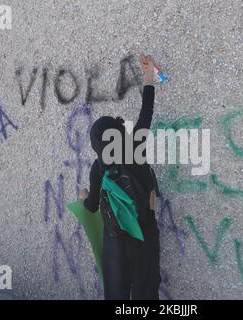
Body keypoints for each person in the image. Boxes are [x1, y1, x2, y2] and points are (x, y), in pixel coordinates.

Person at [79, 53, 161, 300]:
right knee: (146, 292)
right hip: (144, 234)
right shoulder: (135, 148)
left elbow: (92, 206)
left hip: (115, 241)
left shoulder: (98, 168)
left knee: (116, 292)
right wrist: (147, 75)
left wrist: (84, 195)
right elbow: (147, 112)